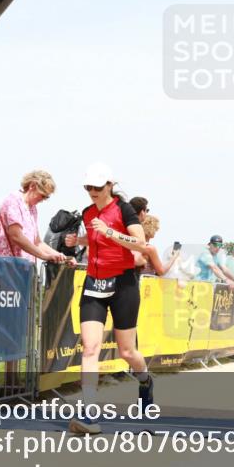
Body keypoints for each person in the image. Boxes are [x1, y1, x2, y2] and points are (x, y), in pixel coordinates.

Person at [70, 163, 154, 435]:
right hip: (94, 282)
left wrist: (108, 231)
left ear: (109, 185)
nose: (92, 192)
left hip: (123, 283)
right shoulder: (87, 213)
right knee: (90, 348)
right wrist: (78, 241)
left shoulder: (124, 209)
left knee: (127, 351)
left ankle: (145, 380)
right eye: (88, 187)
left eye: (97, 187)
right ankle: (88, 413)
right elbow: (95, 241)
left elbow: (140, 244)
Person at [0, 170, 72, 394]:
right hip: (4, 271)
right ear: (33, 186)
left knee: (16, 329)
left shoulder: (31, 208)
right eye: (44, 195)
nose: (43, 201)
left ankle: (11, 380)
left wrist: (57, 255)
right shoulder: (11, 201)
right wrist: (43, 255)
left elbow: (35, 241)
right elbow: (16, 236)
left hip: (20, 274)